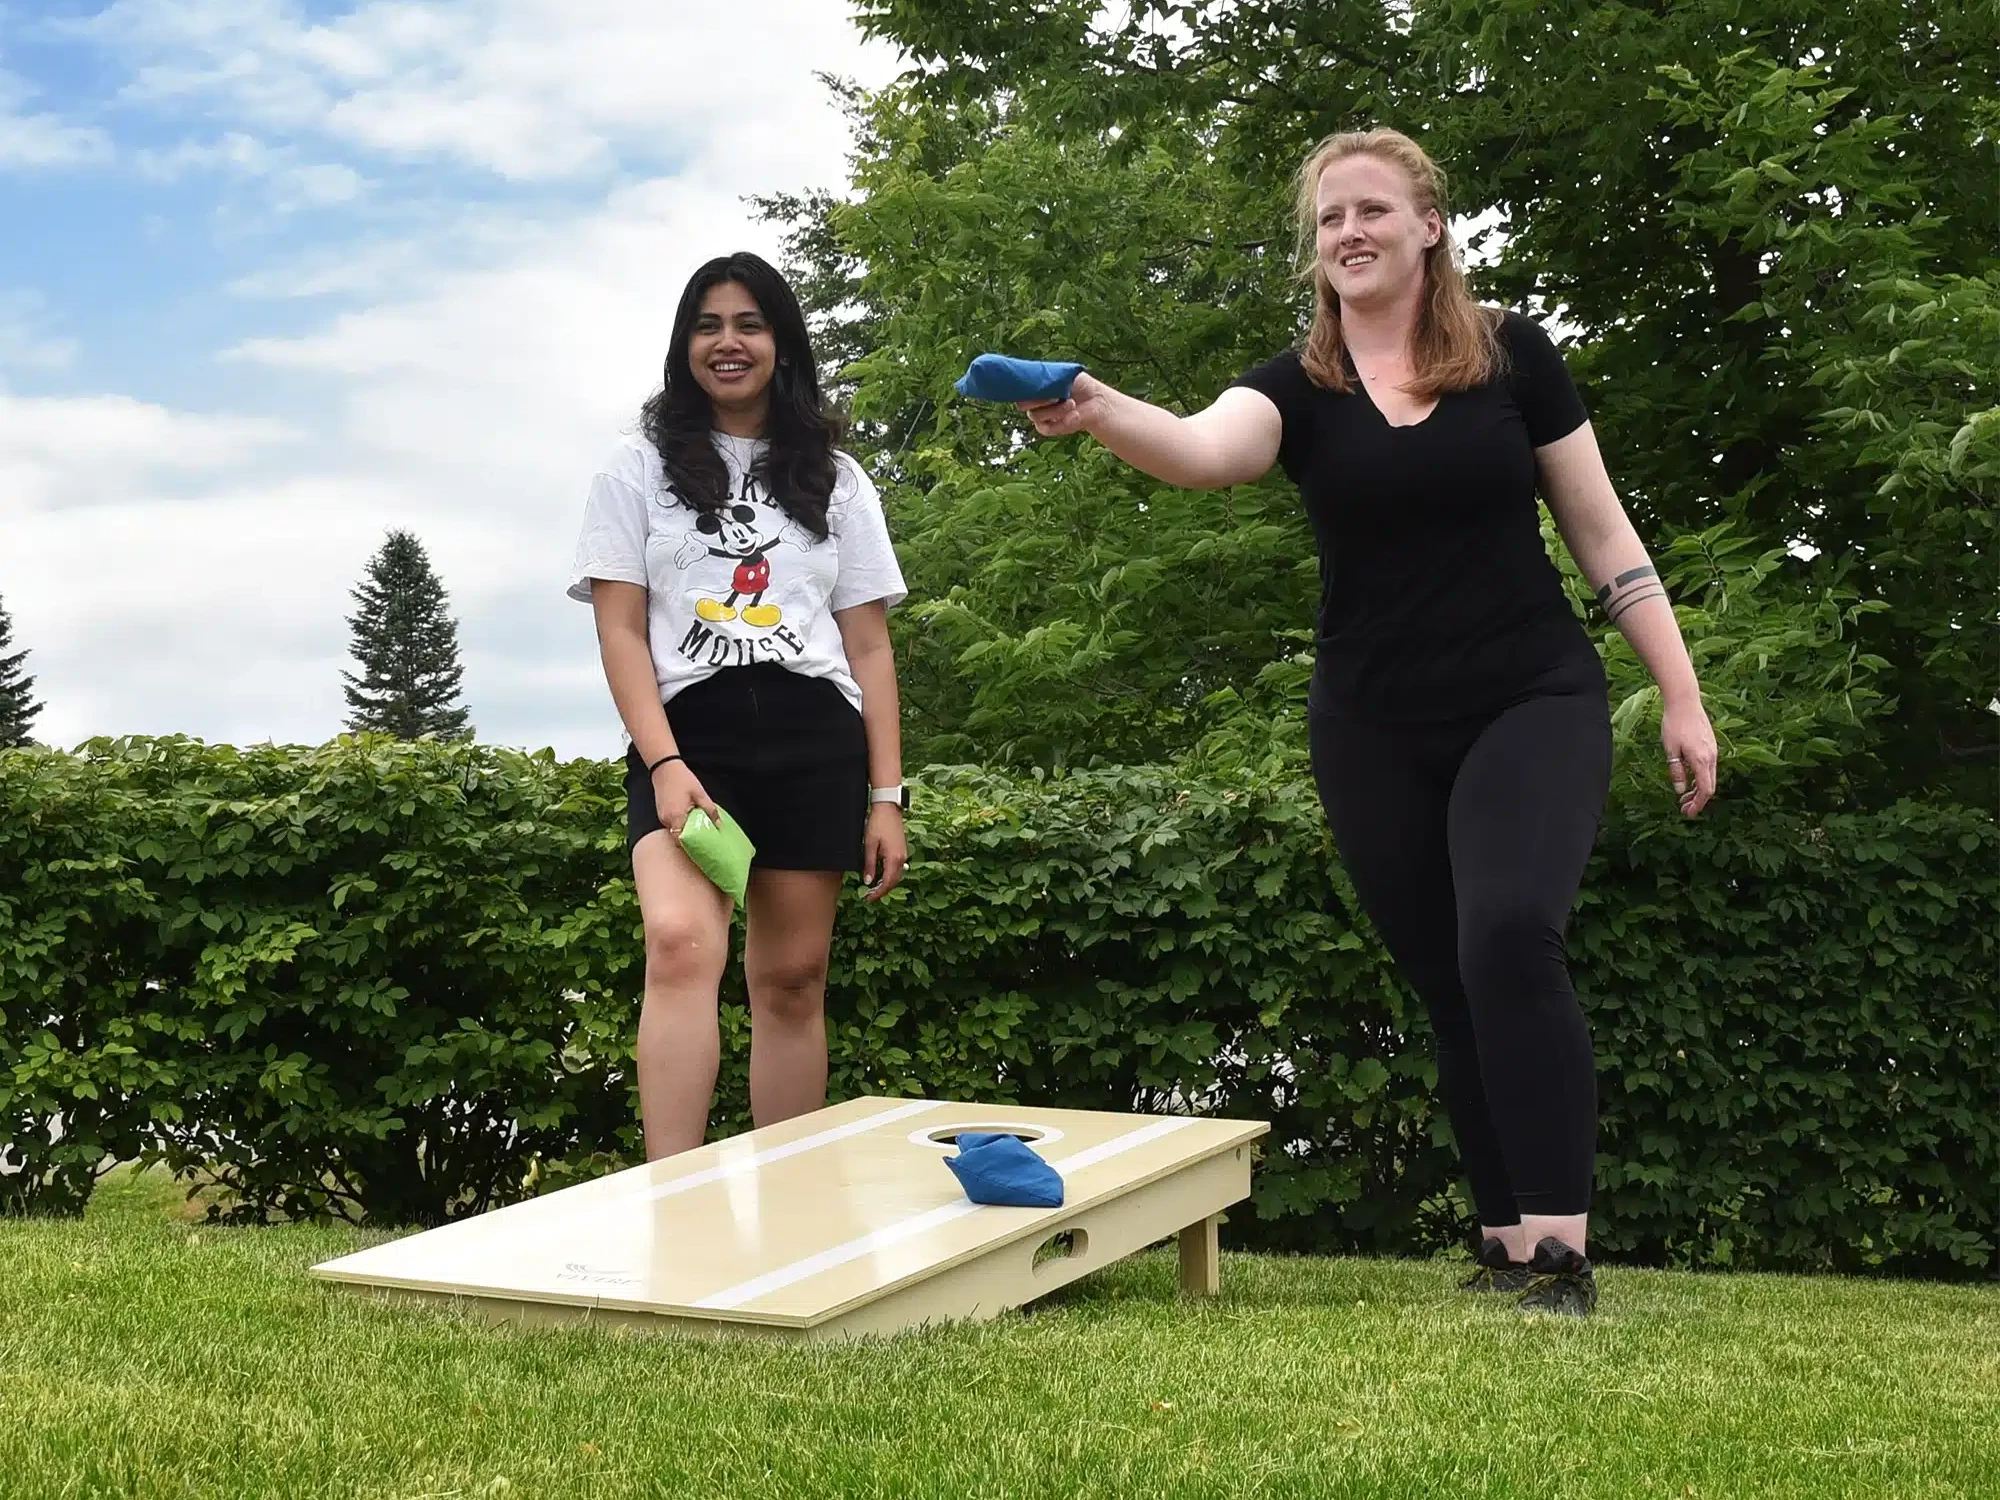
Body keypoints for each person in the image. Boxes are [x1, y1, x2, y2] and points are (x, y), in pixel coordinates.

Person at [1016, 128, 1719, 1315]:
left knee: (1506, 935)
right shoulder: (1297, 385)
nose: (1348, 232)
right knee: (1447, 979)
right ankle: (1501, 1247)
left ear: (1428, 226)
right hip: (1371, 724)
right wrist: (1095, 407)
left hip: (1529, 696)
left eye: (1373, 211)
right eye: (1329, 217)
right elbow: (1199, 450)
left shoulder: (1511, 358)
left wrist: (1682, 695)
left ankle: (1560, 1253)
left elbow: (1603, 538)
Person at [568, 251, 911, 1161]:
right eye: (708, 325)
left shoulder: (838, 478)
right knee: (680, 946)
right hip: (692, 739)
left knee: (794, 980)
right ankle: (671, 1201)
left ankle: (785, 1211)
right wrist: (666, 764)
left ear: (782, 344)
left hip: (815, 739)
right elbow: (621, 633)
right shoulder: (633, 468)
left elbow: (870, 646)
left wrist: (887, 798)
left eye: (749, 325)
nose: (729, 343)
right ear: (685, 346)